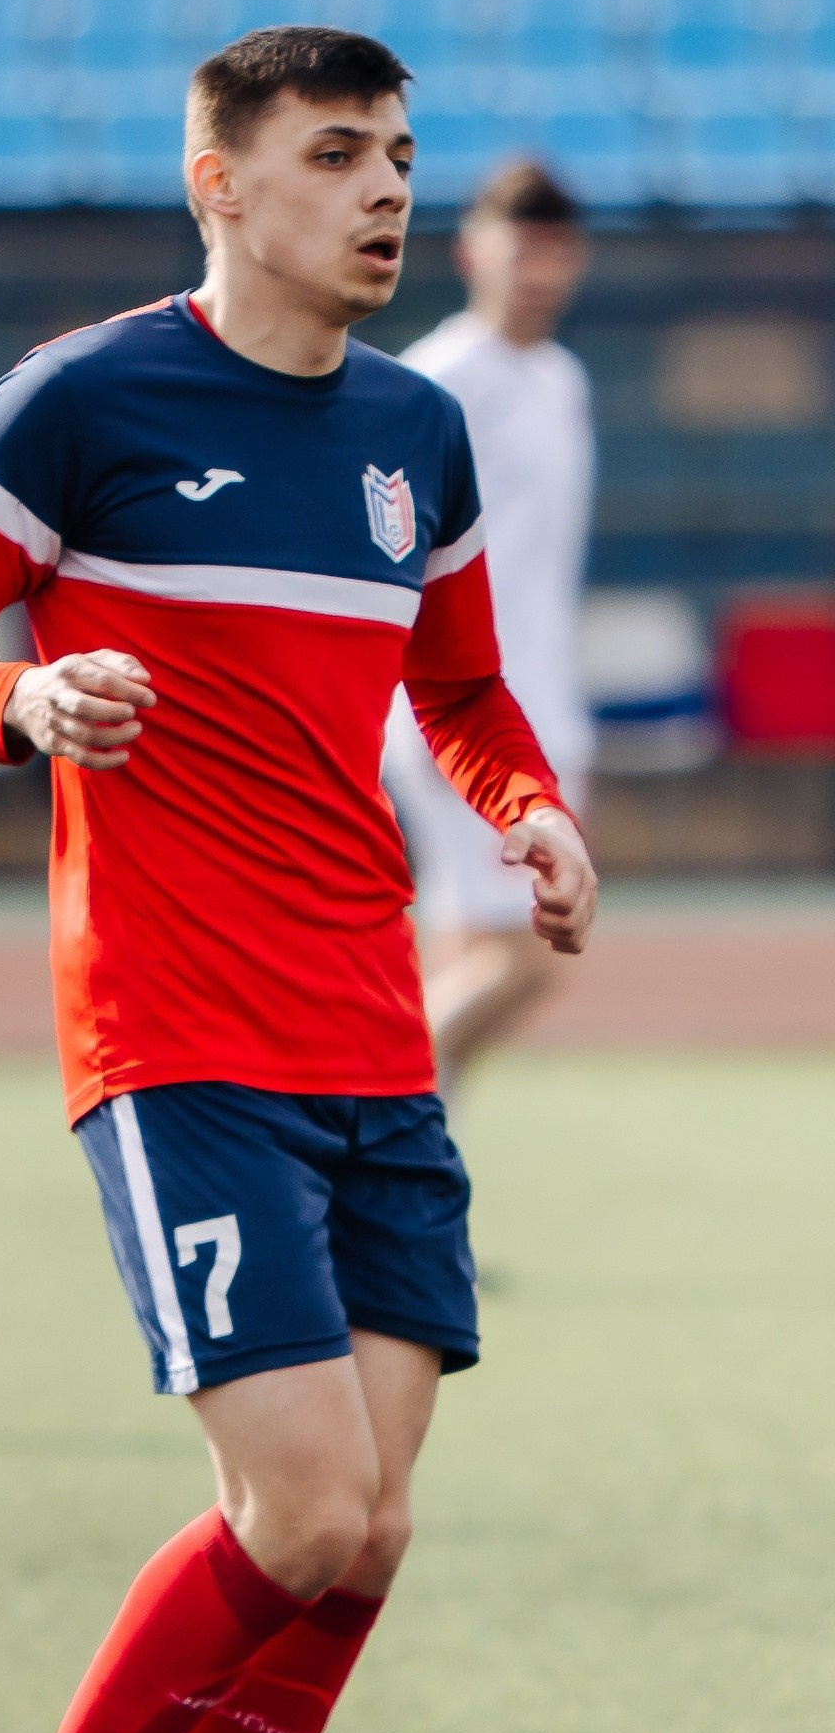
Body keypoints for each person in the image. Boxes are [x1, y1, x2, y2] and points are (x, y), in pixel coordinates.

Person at [0, 26, 596, 1733]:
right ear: (220, 185)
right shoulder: (82, 400)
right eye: (335, 154)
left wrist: (520, 810)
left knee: (371, 1528)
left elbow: (461, 689)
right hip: (173, 1032)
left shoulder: (408, 434)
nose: (380, 193)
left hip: (369, 1032)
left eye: (398, 156)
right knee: (292, 1500)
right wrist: (23, 702)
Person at [380, 160, 596, 1104]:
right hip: (462, 710)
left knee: (468, 958)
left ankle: (407, 1220)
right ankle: (359, 1114)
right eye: (523, 249)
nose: (541, 271)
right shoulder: (440, 380)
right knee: (528, 962)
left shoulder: (559, 379)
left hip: (542, 699)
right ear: (474, 252)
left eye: (557, 251)